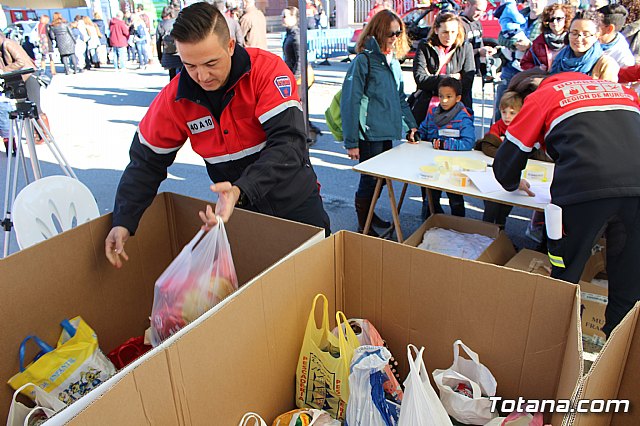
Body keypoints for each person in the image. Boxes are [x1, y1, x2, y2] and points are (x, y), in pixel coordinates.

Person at [105, 3, 330, 268]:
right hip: (239, 213)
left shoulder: (267, 71)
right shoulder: (174, 97)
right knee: (258, 289)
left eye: (211, 63)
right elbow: (146, 162)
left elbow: (289, 143)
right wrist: (124, 220)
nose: (202, 76)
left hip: (295, 202)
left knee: (319, 278)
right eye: (189, 65)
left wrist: (240, 190)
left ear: (231, 46)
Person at [493, 71, 640, 337]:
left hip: (583, 188)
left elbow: (506, 164)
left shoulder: (543, 96)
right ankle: (615, 358)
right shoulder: (621, 91)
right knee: (629, 280)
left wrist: (513, 182)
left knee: (565, 270)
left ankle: (553, 343)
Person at [341, 9, 418, 237]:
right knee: (369, 181)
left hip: (386, 132)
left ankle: (370, 216)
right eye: (390, 33)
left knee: (380, 181)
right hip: (369, 134)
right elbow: (350, 102)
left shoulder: (393, 61)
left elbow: (400, 98)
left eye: (398, 32)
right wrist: (351, 141)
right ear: (377, 32)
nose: (395, 37)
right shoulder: (364, 61)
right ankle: (363, 225)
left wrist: (411, 126)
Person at [417, 77, 474, 219]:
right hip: (432, 164)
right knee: (430, 198)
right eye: (441, 96)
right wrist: (416, 134)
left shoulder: (463, 118)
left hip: (454, 167)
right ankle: (430, 223)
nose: (444, 101)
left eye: (449, 97)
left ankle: (458, 225)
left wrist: (445, 144)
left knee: (455, 201)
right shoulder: (432, 113)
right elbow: (424, 129)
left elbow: (468, 142)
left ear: (458, 98)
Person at [412, 11, 476, 122]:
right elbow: (420, 79)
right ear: (436, 30)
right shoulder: (425, 46)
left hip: (457, 110)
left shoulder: (465, 47)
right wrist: (450, 78)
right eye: (445, 32)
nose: (449, 37)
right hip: (427, 108)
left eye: (453, 32)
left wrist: (433, 80)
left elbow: (467, 82)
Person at [0, 32, 51, 144]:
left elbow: (21, 62)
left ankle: (46, 135)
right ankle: (37, 134)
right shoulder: (4, 45)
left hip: (29, 77)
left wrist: (4, 71)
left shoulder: (7, 44)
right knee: (27, 108)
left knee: (35, 108)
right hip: (23, 79)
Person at [281, 6, 322, 144]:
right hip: (295, 75)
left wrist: (294, 78)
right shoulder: (290, 33)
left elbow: (300, 59)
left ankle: (308, 132)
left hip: (300, 76)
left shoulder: (296, 34)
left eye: (285, 16)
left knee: (297, 105)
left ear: (294, 18)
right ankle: (309, 131)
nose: (283, 18)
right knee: (297, 105)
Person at [550, 11, 619, 82]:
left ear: (596, 36)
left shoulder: (605, 64)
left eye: (586, 34)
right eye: (574, 33)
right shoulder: (559, 59)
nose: (579, 39)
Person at [521, 3, 574, 71]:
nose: (554, 22)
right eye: (551, 19)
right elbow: (524, 63)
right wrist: (538, 68)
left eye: (559, 19)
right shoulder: (539, 42)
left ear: (566, 19)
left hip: (566, 78)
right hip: (545, 79)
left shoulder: (572, 39)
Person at [459, 0, 498, 79]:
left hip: (476, 71)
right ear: (468, 5)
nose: (480, 14)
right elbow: (457, 54)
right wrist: (478, 51)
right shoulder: (458, 24)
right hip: (462, 72)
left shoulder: (477, 23)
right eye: (478, 10)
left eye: (483, 11)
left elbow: (480, 46)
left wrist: (487, 51)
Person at [495, 0, 529, 71]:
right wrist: (524, 20)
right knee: (522, 41)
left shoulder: (504, 7)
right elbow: (517, 18)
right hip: (513, 29)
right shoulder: (510, 6)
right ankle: (518, 61)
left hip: (506, 30)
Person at [156, 6, 182, 81]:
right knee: (181, 74)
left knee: (172, 76)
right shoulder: (178, 22)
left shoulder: (160, 24)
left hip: (168, 54)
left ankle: (173, 91)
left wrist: (160, 57)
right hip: (179, 54)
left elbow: (158, 42)